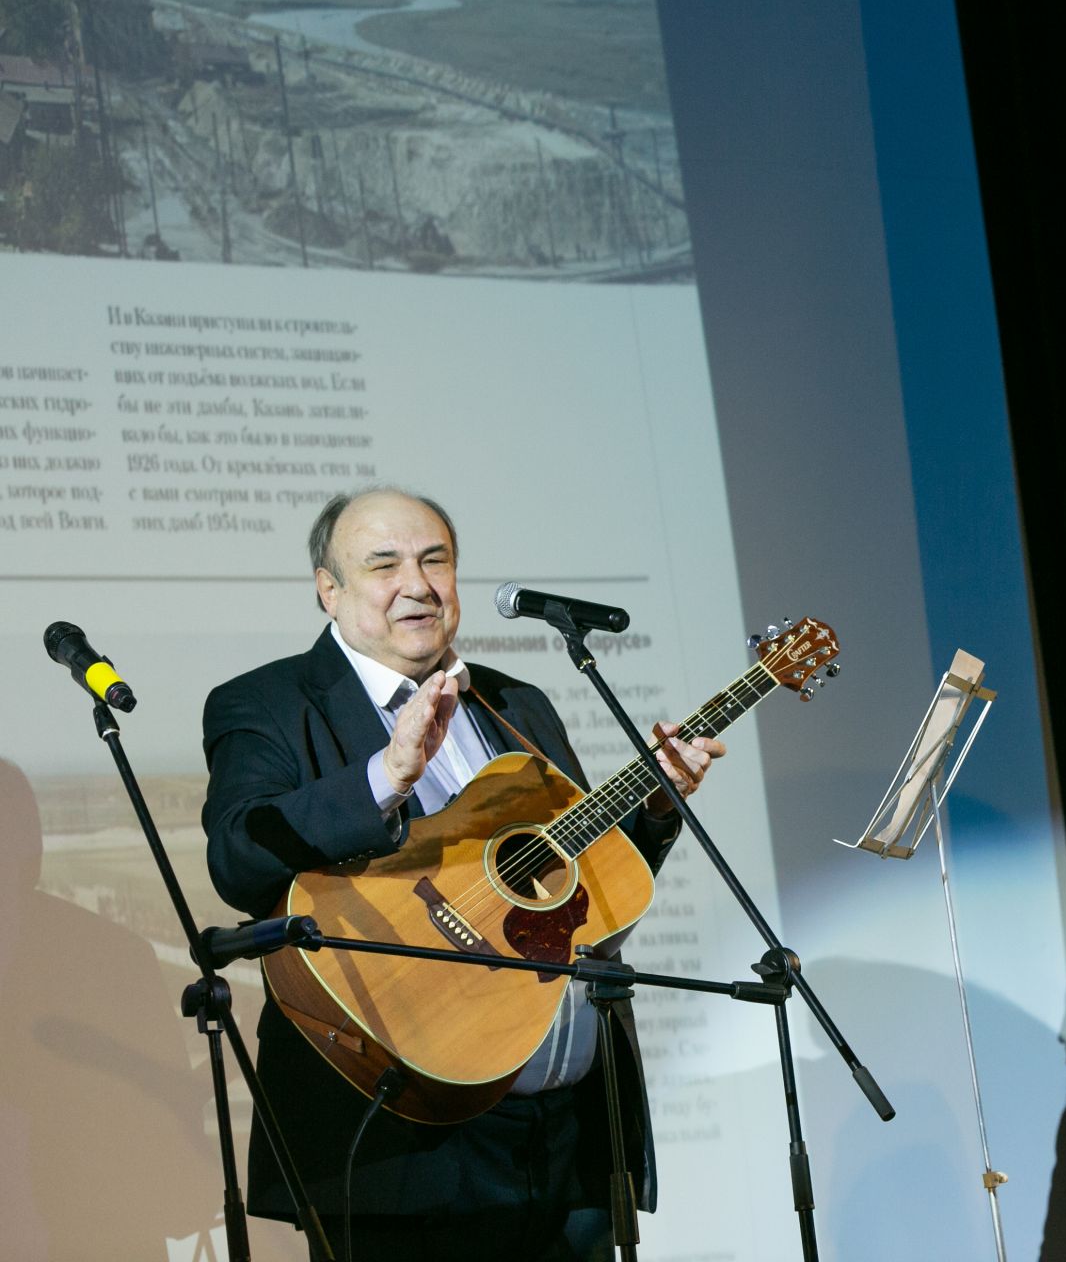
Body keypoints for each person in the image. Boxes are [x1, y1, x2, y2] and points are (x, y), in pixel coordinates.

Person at [201, 487, 724, 1260]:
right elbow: (241, 857)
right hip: (401, 1144)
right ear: (329, 589)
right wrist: (387, 773)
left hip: (564, 1139)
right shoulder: (270, 703)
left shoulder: (516, 703)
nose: (417, 584)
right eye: (384, 564)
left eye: (435, 560)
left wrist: (652, 809)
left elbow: (574, 895)